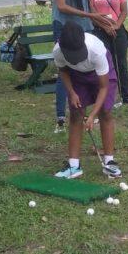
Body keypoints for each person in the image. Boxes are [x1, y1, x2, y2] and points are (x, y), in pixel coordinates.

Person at [50, 0, 116, 133]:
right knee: (66, 70)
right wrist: (91, 16)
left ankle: (91, 110)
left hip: (85, 29)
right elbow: (61, 6)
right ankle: (61, 117)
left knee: (87, 69)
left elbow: (89, 6)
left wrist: (103, 21)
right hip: (65, 28)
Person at [52, 22, 122, 179]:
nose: (76, 59)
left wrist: (92, 116)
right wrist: (71, 92)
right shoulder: (58, 51)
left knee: (105, 112)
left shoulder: (96, 51)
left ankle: (109, 162)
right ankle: (74, 166)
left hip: (100, 74)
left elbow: (103, 88)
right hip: (76, 77)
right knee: (76, 114)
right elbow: (63, 71)